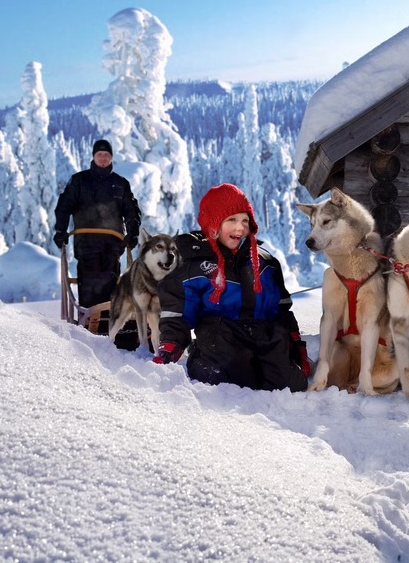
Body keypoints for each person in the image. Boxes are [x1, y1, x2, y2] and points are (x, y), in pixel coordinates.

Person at [153, 183, 310, 393]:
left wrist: (296, 346)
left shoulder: (266, 263)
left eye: (245, 220)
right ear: (213, 223)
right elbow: (177, 312)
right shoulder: (194, 263)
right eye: (232, 220)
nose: (240, 227)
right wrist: (170, 347)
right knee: (219, 377)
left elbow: (281, 311)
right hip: (220, 340)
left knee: (293, 384)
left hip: (262, 338)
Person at [54, 139, 141, 312]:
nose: (103, 158)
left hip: (112, 242)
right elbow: (64, 205)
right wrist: (60, 230)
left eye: (106, 155)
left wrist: (132, 232)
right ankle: (89, 317)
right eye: (99, 154)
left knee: (111, 279)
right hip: (86, 241)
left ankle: (111, 319)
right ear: (93, 156)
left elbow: (131, 210)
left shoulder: (120, 183)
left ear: (111, 158)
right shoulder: (79, 181)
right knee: (89, 279)